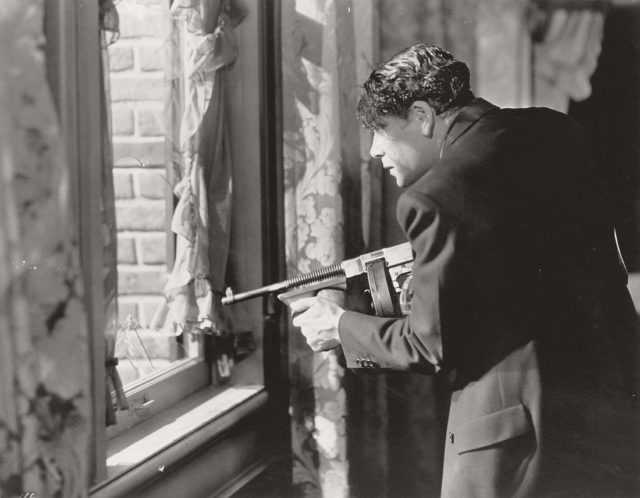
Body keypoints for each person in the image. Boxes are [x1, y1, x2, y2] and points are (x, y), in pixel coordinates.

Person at [289, 44, 640, 498]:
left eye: (380, 130)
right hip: (610, 405)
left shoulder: (430, 199)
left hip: (516, 443)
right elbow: (528, 268)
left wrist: (340, 326)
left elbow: (429, 345)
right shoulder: (556, 129)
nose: (375, 150)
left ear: (422, 115)